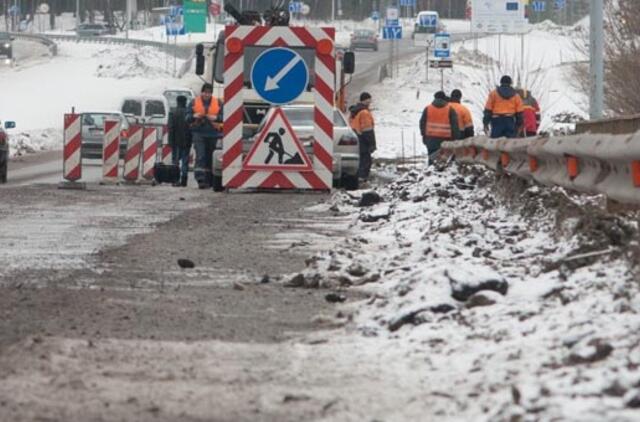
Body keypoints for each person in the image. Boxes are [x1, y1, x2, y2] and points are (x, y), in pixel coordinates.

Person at [187, 83, 224, 189]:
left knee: (211, 157)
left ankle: (210, 179)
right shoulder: (194, 102)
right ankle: (200, 179)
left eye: (209, 93)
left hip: (213, 133)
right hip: (198, 133)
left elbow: (224, 116)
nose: (206, 94)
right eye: (205, 92)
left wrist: (216, 118)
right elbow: (187, 117)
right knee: (201, 156)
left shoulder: (218, 103)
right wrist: (194, 115)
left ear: (211, 93)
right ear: (201, 92)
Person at [419, 91, 460, 162]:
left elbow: (422, 123)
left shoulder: (428, 109)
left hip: (430, 139)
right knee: (444, 162)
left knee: (432, 160)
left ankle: (431, 171)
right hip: (446, 140)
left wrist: (424, 136)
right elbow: (455, 126)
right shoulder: (450, 110)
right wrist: (455, 139)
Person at [349, 92, 377, 181]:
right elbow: (367, 129)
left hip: (355, 137)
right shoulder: (364, 112)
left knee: (360, 159)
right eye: (369, 99)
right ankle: (362, 179)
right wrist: (372, 143)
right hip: (363, 139)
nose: (370, 101)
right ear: (365, 100)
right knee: (366, 160)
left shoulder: (354, 111)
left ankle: (358, 177)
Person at [168, 95, 191, 187]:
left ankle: (175, 180)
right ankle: (184, 180)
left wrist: (170, 141)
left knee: (175, 161)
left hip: (175, 141)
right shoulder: (188, 113)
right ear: (185, 102)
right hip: (186, 141)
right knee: (185, 161)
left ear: (177, 102)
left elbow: (171, 128)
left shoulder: (173, 112)